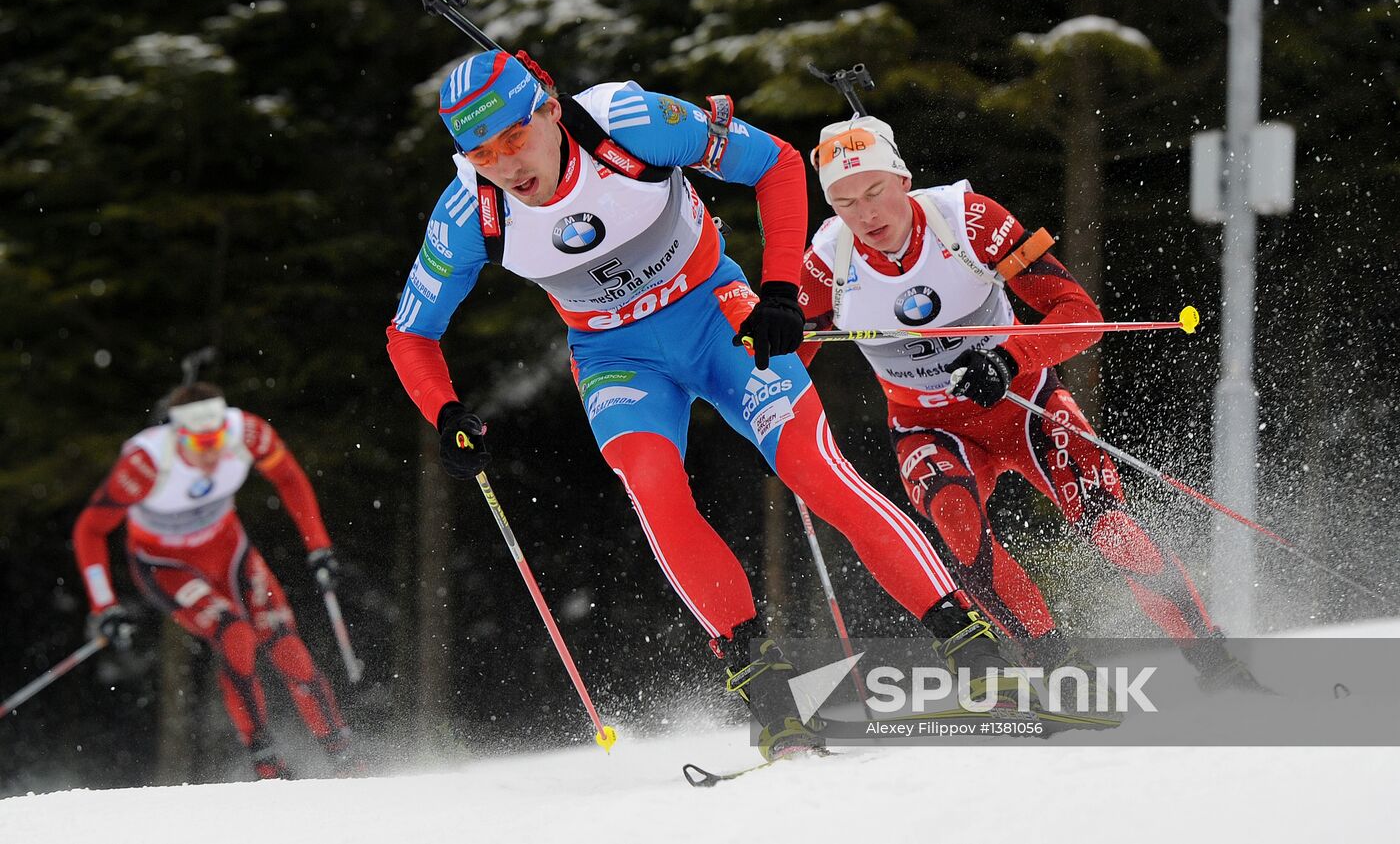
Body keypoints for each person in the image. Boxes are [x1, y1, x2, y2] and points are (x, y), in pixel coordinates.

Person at [387, 50, 1030, 758]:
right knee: (657, 492)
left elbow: (778, 163)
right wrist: (445, 412)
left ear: (546, 108)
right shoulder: (468, 213)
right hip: (615, 357)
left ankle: (974, 651)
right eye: (481, 152)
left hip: (717, 316)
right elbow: (411, 332)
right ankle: (769, 693)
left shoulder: (629, 124)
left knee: (818, 474)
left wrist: (782, 290)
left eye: (513, 138)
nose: (506, 165)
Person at [795, 114, 1264, 692]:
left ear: (904, 181)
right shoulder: (824, 267)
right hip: (927, 427)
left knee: (1110, 524)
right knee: (959, 529)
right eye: (844, 203)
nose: (866, 215)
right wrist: (757, 361)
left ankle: (1217, 667)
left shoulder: (968, 222)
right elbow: (789, 361)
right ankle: (1061, 677)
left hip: (1025, 404)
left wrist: (1009, 358)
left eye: (875, 192)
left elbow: (1080, 315)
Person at [72, 382, 355, 779]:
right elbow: (90, 529)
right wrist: (105, 605)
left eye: (216, 439)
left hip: (229, 551)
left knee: (285, 643)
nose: (210, 451)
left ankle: (344, 754)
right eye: (197, 442)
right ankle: (267, 764)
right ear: (177, 434)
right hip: (165, 564)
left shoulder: (249, 434)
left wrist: (319, 547)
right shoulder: (146, 462)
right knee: (235, 638)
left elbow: (289, 478)